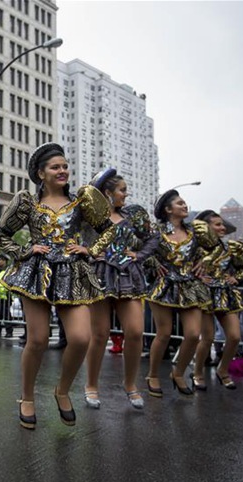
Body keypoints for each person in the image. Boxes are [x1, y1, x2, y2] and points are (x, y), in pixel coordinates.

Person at [0, 143, 112, 428]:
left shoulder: (82, 201)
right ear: (41, 173)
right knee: (37, 340)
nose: (62, 171)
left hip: (73, 272)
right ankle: (26, 397)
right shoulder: (27, 202)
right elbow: (2, 233)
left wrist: (89, 249)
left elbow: (108, 229)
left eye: (64, 166)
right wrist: (26, 250)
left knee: (81, 338)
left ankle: (62, 390)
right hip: (37, 272)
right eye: (55, 167)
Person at [83, 170, 158, 410]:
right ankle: (91, 385)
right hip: (100, 274)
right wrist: (88, 252)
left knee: (136, 332)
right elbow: (72, 236)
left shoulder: (133, 215)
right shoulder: (90, 217)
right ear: (107, 192)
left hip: (128, 275)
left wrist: (139, 255)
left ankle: (130, 385)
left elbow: (153, 238)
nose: (126, 194)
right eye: (122, 190)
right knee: (100, 333)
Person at [145, 190, 216, 397]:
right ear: (168, 210)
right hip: (163, 285)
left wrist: (207, 260)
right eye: (180, 203)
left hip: (190, 285)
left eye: (184, 203)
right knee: (164, 333)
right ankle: (153, 375)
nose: (185, 206)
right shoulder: (156, 231)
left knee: (193, 334)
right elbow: (139, 251)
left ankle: (178, 372)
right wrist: (153, 262)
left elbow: (216, 249)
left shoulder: (195, 231)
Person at [191, 211, 243, 390]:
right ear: (206, 227)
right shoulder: (195, 248)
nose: (222, 227)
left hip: (225, 294)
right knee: (207, 338)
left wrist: (235, 278)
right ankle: (198, 372)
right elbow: (184, 268)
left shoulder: (231, 247)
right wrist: (198, 278)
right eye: (217, 224)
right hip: (205, 294)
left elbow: (242, 267)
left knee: (234, 336)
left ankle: (223, 369)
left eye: (222, 224)